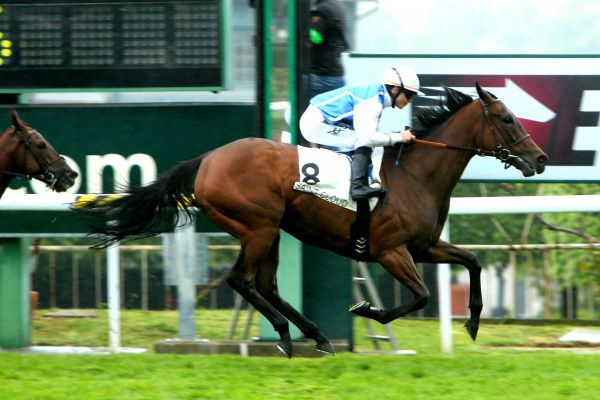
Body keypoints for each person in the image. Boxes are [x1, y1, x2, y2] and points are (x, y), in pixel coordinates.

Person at [299, 65, 424, 200]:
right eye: (409, 94)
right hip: (316, 123)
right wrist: (399, 137)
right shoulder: (372, 102)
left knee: (375, 144)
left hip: (322, 120)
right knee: (364, 141)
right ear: (395, 90)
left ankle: (373, 183)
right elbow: (367, 138)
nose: (410, 100)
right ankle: (357, 187)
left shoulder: (378, 96)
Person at [308, 0, 348, 97]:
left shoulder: (322, 9)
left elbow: (316, 38)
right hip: (337, 76)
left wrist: (303, 27)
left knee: (307, 111)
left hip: (321, 77)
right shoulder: (338, 6)